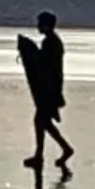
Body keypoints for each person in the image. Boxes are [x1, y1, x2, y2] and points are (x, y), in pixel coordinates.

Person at [22, 11, 74, 171]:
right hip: (51, 88)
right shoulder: (52, 41)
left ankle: (48, 153)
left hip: (49, 89)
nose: (37, 26)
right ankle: (56, 151)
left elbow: (43, 65)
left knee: (41, 121)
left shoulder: (51, 43)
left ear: (46, 25)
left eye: (40, 23)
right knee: (43, 122)